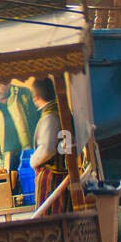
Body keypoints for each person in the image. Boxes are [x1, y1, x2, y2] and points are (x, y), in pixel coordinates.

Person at [29, 77, 68, 209]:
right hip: (61, 172)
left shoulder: (50, 116)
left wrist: (32, 161)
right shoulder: (60, 109)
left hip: (54, 178)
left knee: (50, 212)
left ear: (36, 97)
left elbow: (47, 149)